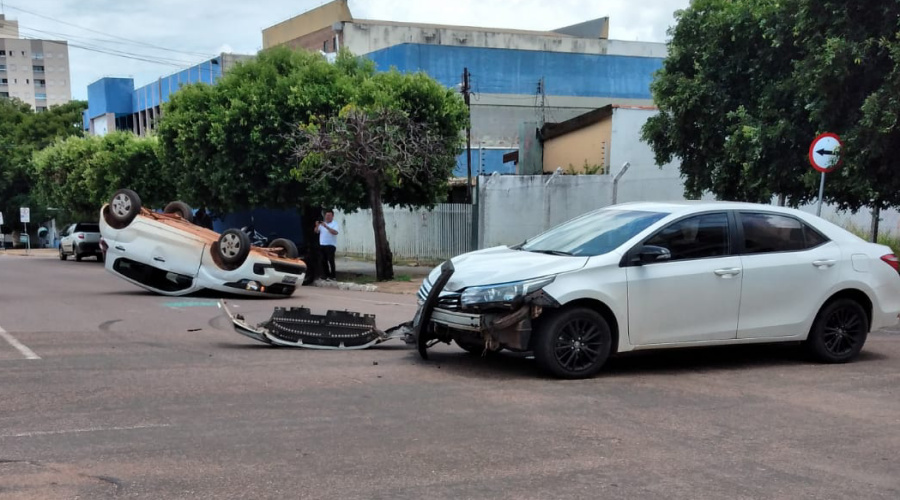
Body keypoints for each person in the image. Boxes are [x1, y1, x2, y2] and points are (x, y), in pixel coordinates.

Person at [315, 210, 340, 280]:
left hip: (331, 245)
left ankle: (333, 275)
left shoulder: (335, 224)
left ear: (332, 216)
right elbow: (316, 231)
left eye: (329, 215)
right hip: (322, 244)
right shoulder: (322, 224)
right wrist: (317, 226)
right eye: (326, 215)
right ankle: (325, 275)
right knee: (323, 260)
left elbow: (335, 232)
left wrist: (326, 227)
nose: (327, 217)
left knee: (331, 260)